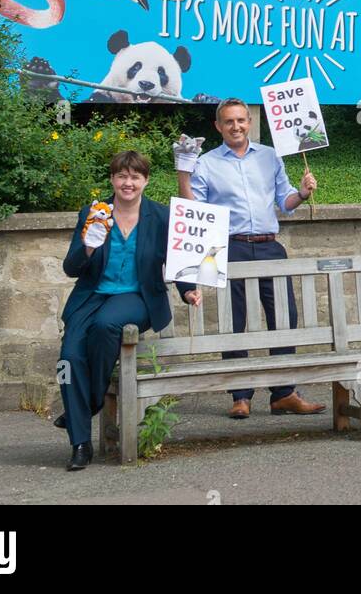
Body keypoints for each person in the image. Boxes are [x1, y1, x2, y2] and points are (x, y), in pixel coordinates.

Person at [175, 99, 325, 419]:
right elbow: (194, 210)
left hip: (270, 246)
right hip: (230, 247)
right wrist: (183, 172)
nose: (236, 126)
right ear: (218, 126)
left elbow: (285, 203)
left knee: (284, 318)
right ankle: (240, 395)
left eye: (241, 120)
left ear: (249, 123)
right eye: (229, 122)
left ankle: (284, 393)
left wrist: (302, 193)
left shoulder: (270, 156)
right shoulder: (207, 163)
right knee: (234, 321)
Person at [57, 150, 200, 470]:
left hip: (138, 297)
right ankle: (80, 444)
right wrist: (89, 245)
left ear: (146, 180)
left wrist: (187, 290)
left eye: (135, 176)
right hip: (91, 297)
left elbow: (177, 260)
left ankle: (88, 404)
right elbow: (71, 267)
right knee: (69, 357)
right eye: (122, 175)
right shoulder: (95, 211)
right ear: (112, 179)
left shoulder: (161, 216)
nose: (128, 182)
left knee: (106, 325)